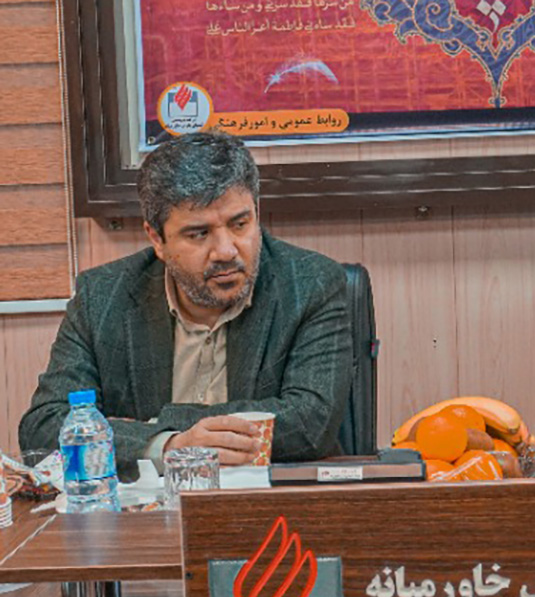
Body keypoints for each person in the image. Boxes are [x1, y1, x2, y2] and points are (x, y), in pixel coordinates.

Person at [19, 130, 354, 480]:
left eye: (240, 224)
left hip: (268, 505)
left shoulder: (311, 284)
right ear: (157, 239)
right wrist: (167, 446)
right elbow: (44, 428)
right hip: (148, 510)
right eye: (199, 234)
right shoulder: (102, 297)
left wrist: (160, 424)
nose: (226, 250)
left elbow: (310, 423)